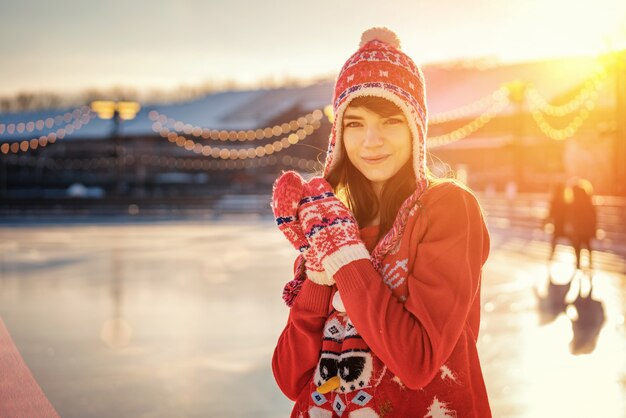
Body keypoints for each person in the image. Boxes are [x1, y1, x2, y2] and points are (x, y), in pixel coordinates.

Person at [271, 27, 491, 417]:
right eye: (354, 124)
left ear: (415, 128)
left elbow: (418, 362)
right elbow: (291, 378)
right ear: (338, 134)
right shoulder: (329, 223)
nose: (370, 141)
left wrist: (347, 260)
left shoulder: (447, 208)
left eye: (389, 121)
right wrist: (318, 278)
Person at [569, 180, 597, 270]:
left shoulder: (575, 200)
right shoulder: (587, 198)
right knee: (587, 244)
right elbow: (593, 214)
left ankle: (578, 263)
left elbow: (573, 215)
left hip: (579, 227)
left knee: (578, 245)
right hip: (586, 227)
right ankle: (590, 262)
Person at [547, 182, 569, 261]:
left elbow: (551, 213)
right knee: (573, 241)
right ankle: (578, 261)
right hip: (565, 224)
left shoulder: (555, 200)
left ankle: (551, 256)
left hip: (558, 224)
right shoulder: (566, 200)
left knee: (554, 240)